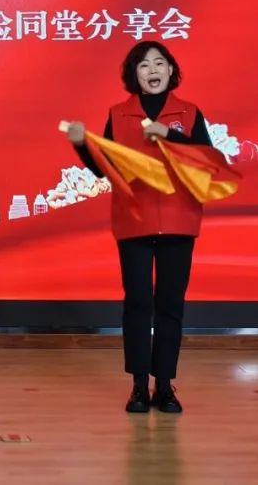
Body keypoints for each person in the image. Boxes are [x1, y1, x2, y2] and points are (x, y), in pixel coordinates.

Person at [64, 40, 214, 414]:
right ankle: (138, 386)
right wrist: (81, 146)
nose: (152, 70)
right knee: (138, 303)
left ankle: (164, 386)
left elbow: (207, 162)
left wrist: (169, 135)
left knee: (170, 304)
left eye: (159, 63)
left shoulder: (189, 112)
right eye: (144, 65)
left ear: (170, 70)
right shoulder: (118, 114)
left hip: (179, 219)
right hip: (133, 220)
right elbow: (104, 168)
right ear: (134, 74)